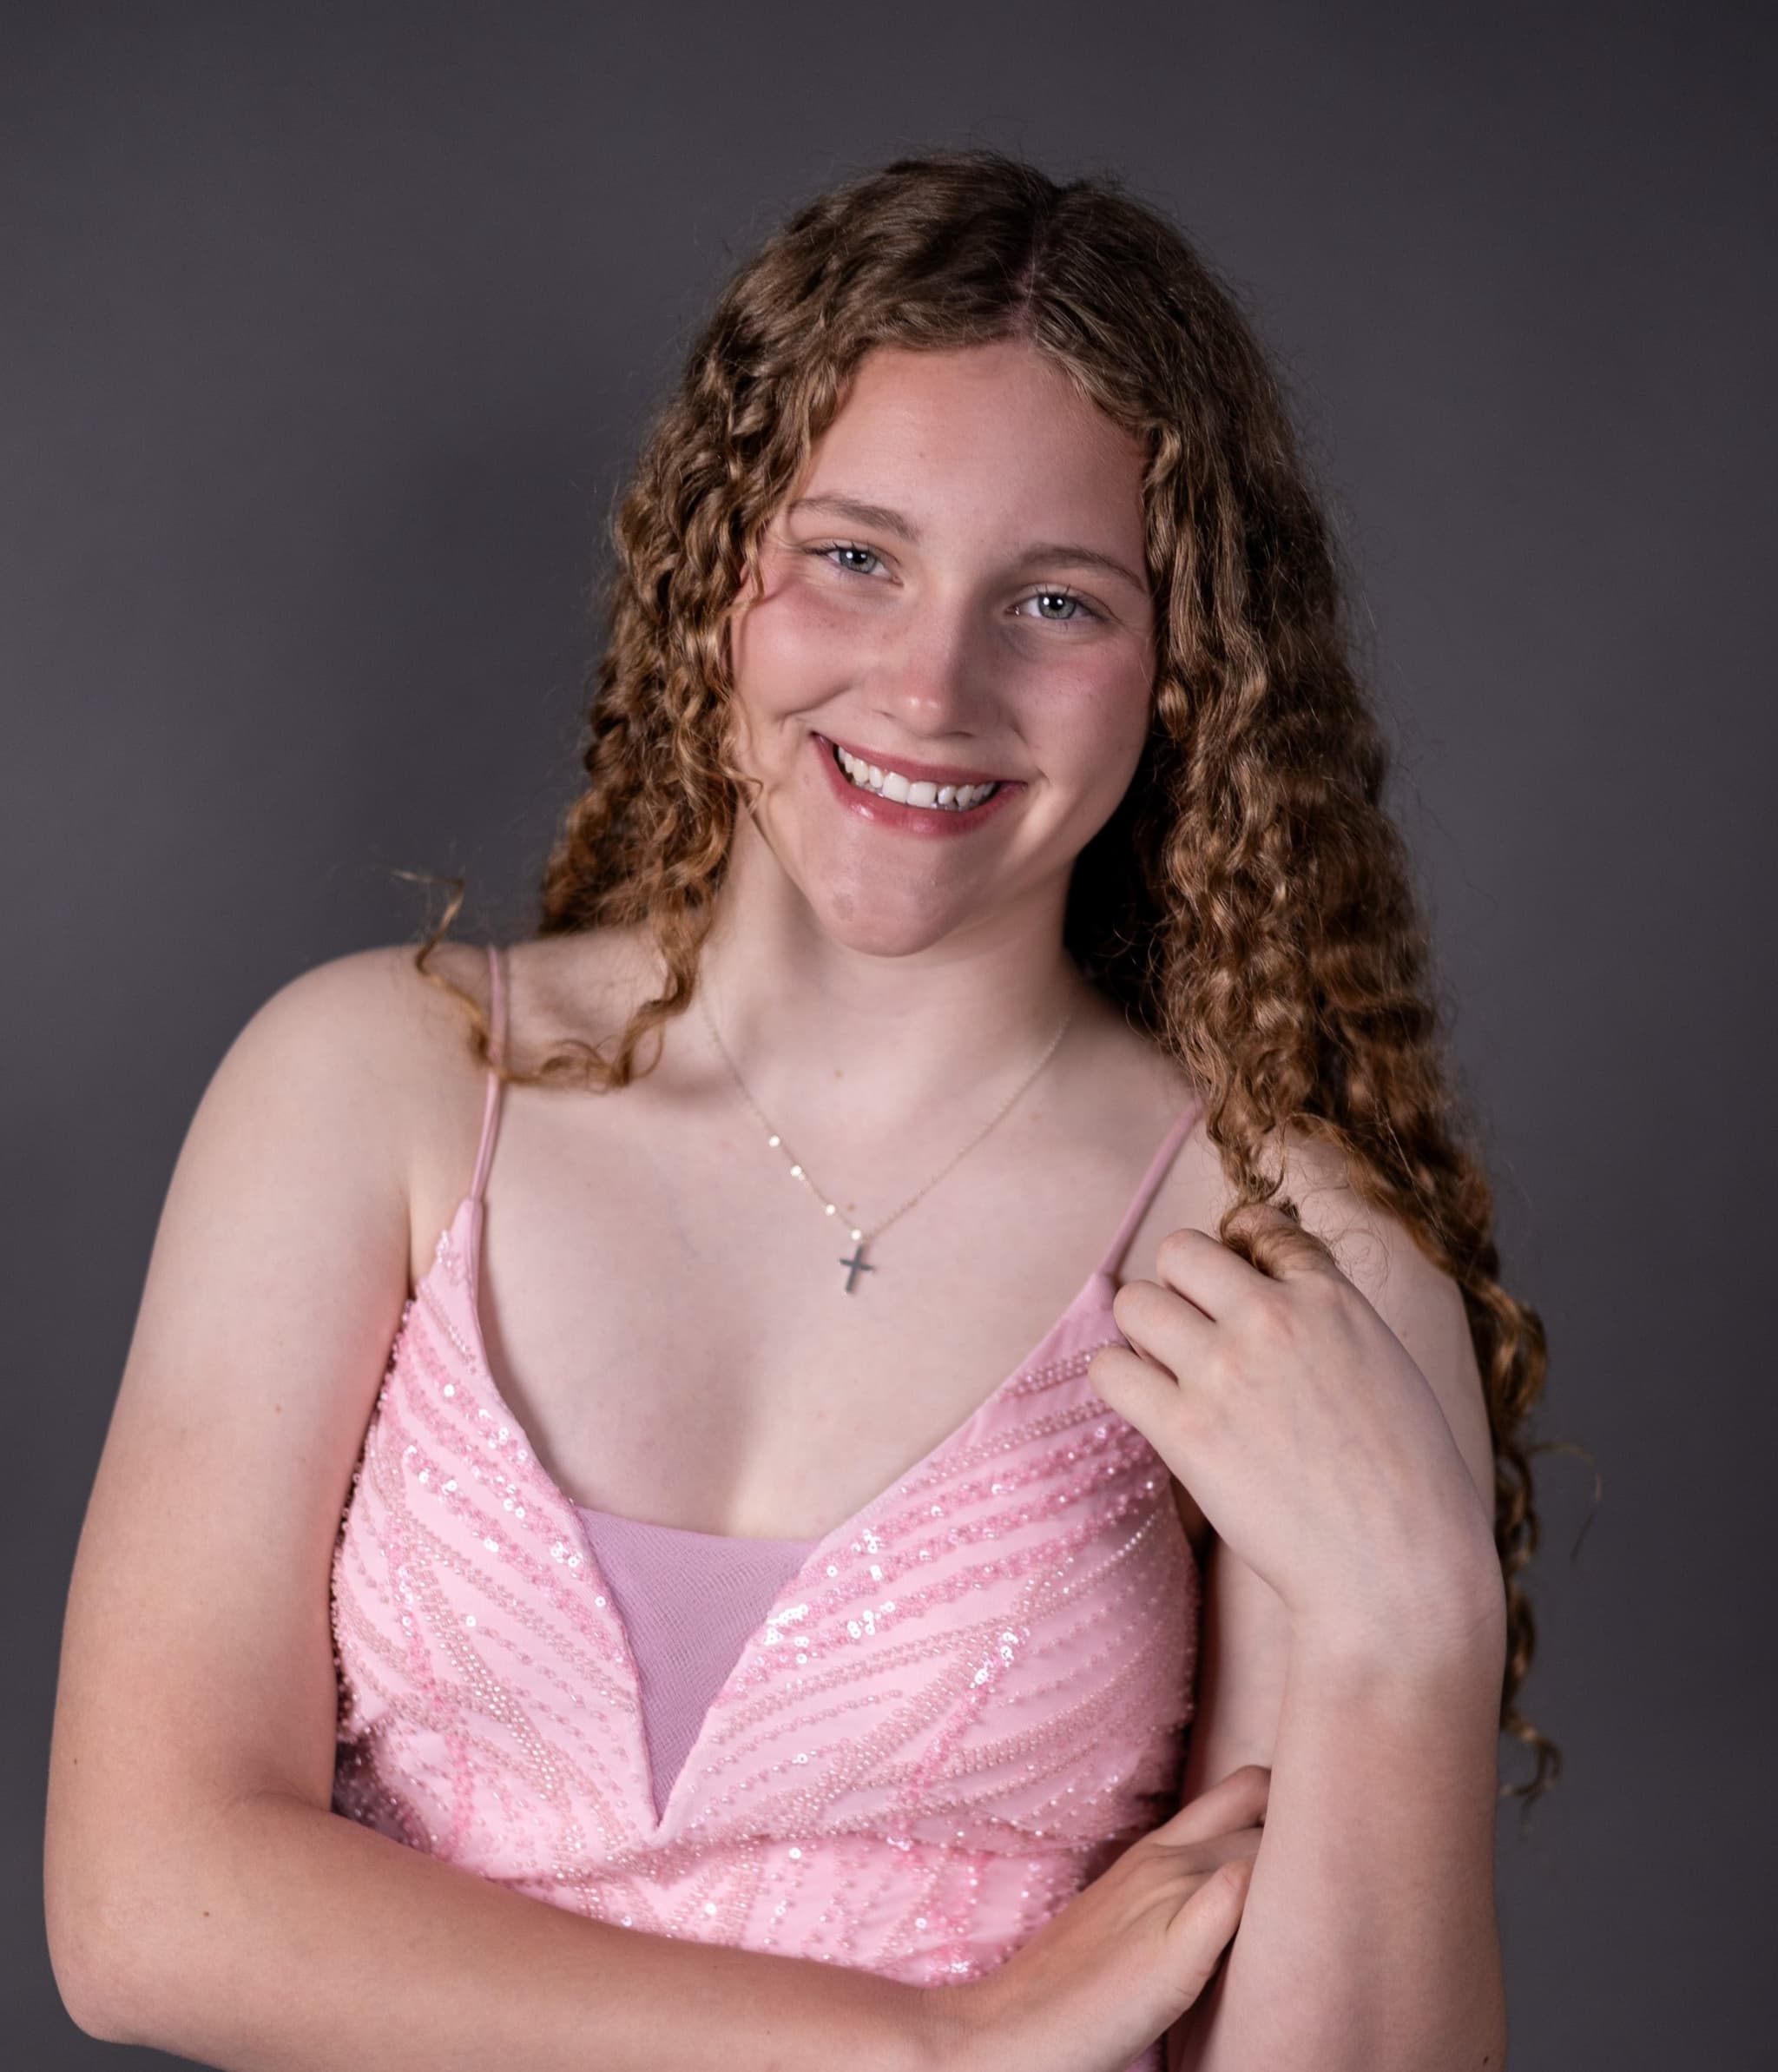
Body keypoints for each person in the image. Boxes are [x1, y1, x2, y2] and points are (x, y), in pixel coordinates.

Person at [45, 148, 1548, 2071]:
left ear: (1188, 672)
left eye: (1057, 601)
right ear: (716, 569)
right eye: (855, 557)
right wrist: (931, 2041)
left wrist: (1422, 1632)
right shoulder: (370, 1092)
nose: (930, 685)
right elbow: (144, 1909)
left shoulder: (1278, 1260)